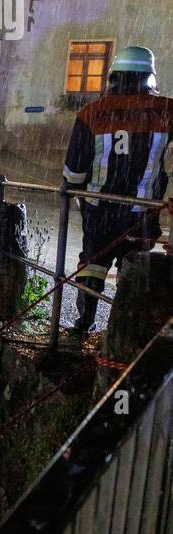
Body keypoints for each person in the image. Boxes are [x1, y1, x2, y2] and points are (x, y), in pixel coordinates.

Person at [62, 46, 173, 334]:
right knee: (134, 269)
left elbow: (73, 172)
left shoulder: (91, 114)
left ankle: (83, 323)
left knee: (92, 266)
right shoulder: (166, 112)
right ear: (150, 77)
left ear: (114, 77)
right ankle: (126, 331)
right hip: (143, 213)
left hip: (100, 210)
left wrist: (77, 194)